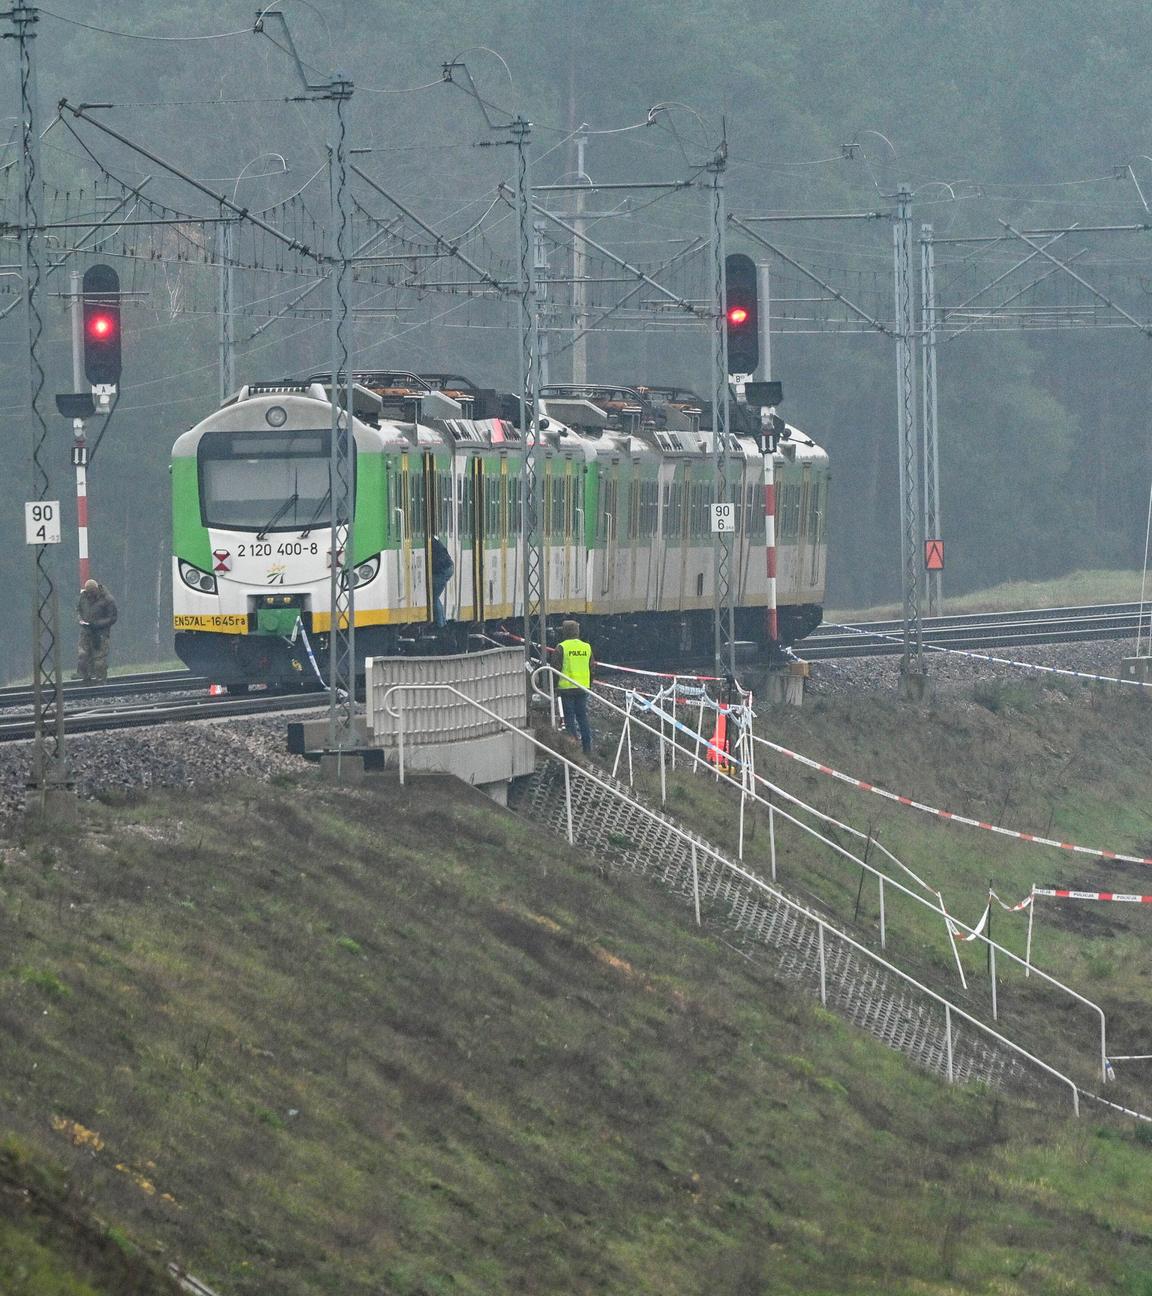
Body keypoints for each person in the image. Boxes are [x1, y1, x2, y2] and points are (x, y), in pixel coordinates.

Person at [555, 619, 594, 757]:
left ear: (565, 632)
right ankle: (587, 748)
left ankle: (573, 747)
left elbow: (556, 669)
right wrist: (589, 684)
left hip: (566, 689)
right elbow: (592, 668)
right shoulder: (586, 647)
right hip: (582, 688)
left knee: (569, 718)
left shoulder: (562, 647)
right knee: (583, 717)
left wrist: (553, 688)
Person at [76, 578, 118, 682]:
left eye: (92, 592)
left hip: (100, 634)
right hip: (86, 632)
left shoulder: (107, 599)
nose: (89, 595)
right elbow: (78, 610)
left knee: (99, 661)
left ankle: (101, 680)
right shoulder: (83, 598)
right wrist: (80, 620)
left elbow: (113, 617)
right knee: (83, 656)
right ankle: (85, 678)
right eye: (88, 593)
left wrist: (98, 624)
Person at [431, 536, 454, 628]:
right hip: (447, 567)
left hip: (443, 569)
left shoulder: (430, 542)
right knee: (434, 596)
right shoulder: (434, 540)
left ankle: (441, 624)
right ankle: (442, 622)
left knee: (433, 596)